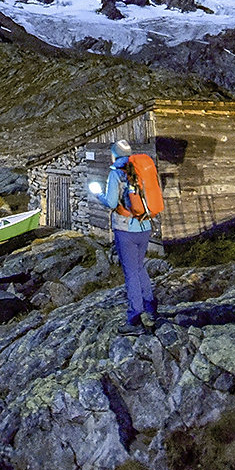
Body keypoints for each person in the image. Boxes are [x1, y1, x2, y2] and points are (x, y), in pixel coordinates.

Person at [92, 139, 157, 335]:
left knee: (130, 273)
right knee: (139, 268)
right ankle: (151, 310)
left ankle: (135, 318)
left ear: (114, 155)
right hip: (144, 226)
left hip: (125, 230)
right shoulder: (142, 169)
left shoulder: (115, 174)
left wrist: (98, 195)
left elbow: (112, 202)